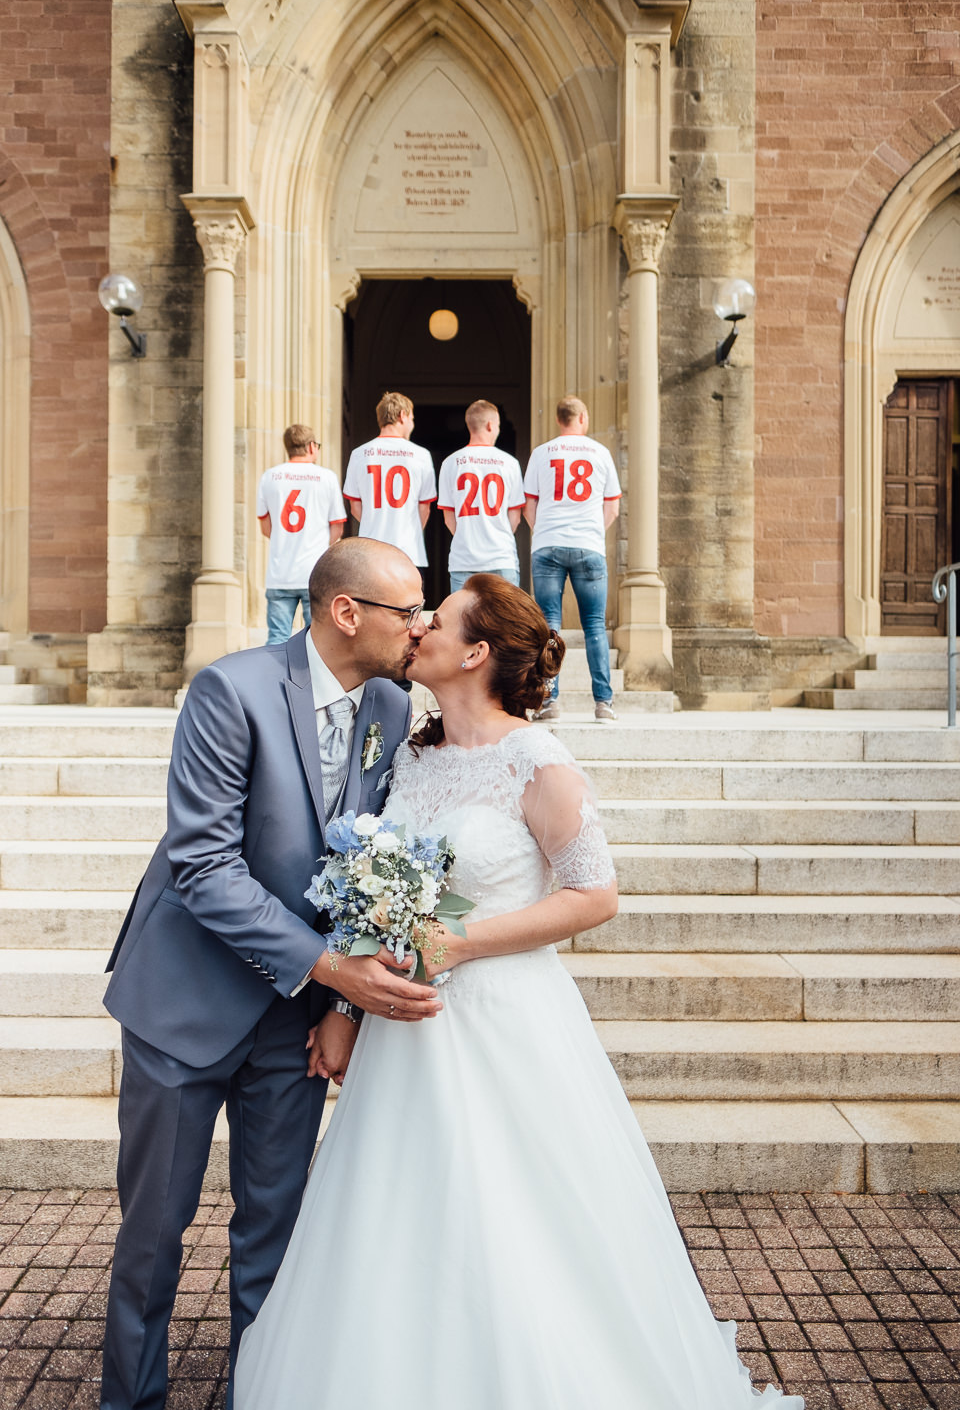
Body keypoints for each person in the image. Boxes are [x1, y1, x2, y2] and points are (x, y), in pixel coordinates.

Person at [234, 575, 803, 1410]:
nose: (419, 625)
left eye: (440, 617)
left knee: (516, 1219)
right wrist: (344, 1006)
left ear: (475, 652)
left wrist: (460, 943)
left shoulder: (536, 759)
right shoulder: (410, 754)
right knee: (401, 1215)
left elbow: (594, 894)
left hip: (506, 1021)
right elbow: (380, 892)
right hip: (406, 1028)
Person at [99, 538, 442, 1410]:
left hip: (295, 1025)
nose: (422, 624)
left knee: (275, 1233)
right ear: (346, 612)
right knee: (153, 1234)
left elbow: (373, 869)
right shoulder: (232, 688)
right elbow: (205, 865)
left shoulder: (393, 712)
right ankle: (130, 1400)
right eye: (409, 610)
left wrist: (340, 1006)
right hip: (186, 1004)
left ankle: (260, 1392)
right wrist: (331, 971)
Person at [523, 394, 621, 721]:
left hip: (548, 543)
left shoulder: (541, 453)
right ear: (583, 418)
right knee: (595, 625)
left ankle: (550, 700)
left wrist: (544, 531)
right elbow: (612, 507)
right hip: (588, 544)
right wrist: (593, 531)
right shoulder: (601, 453)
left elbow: (529, 506)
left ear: (558, 420)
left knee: (550, 626)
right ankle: (603, 703)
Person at [256, 424, 346, 644]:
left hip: (279, 572)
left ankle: (272, 680)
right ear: (312, 447)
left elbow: (265, 527)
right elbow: (338, 526)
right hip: (313, 571)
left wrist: (284, 541)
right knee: (315, 640)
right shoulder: (326, 477)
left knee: (277, 637)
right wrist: (319, 545)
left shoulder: (270, 477)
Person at [342, 391, 437, 571]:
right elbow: (424, 508)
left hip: (370, 551)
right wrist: (411, 531)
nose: (412, 425)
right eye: (412, 419)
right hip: (409, 551)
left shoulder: (360, 453)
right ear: (402, 416)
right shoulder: (421, 455)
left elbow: (355, 506)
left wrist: (374, 521)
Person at [437, 399, 524, 592]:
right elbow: (515, 516)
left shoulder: (451, 463)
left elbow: (449, 517)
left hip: (464, 559)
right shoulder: (509, 463)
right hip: (502, 557)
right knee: (506, 621)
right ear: (490, 425)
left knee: (463, 620)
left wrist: (468, 536)